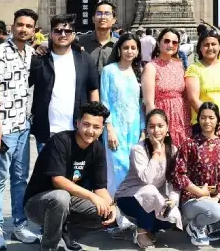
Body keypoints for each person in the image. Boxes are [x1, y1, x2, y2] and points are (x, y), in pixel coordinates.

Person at [24, 102, 119, 251]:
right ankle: (47, 250)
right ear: (78, 123)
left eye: (96, 127)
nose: (90, 131)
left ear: (102, 130)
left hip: (69, 203)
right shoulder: (60, 141)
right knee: (61, 196)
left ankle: (65, 234)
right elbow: (58, 181)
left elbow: (100, 188)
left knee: (107, 211)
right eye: (86, 124)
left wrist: (112, 207)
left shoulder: (97, 149)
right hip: (38, 204)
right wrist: (92, 196)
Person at [0, 8, 41, 250]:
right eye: (20, 24)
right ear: (12, 26)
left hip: (22, 125)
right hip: (4, 127)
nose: (24, 29)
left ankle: (19, 224)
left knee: (20, 179)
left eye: (29, 26)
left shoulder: (30, 53)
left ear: (33, 30)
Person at [172, 102, 220, 246]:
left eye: (211, 117)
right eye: (203, 117)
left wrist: (218, 196)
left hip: (215, 196)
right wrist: (200, 192)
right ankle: (195, 226)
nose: (207, 121)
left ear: (217, 120)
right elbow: (179, 175)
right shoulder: (189, 143)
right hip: (193, 196)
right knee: (214, 211)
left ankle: (210, 225)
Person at [28, 14, 100, 150]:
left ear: (73, 35)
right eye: (58, 31)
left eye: (67, 31)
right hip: (47, 131)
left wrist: (94, 120)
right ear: (51, 34)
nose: (63, 34)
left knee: (75, 171)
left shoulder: (85, 59)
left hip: (77, 130)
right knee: (48, 171)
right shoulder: (40, 60)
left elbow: (93, 89)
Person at [115, 109, 182, 250]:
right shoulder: (138, 149)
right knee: (150, 191)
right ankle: (141, 232)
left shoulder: (173, 150)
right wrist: (157, 152)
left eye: (160, 125)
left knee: (173, 214)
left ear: (167, 127)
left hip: (152, 197)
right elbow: (148, 179)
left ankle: (149, 228)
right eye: (151, 127)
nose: (156, 130)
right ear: (146, 129)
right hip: (128, 198)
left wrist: (173, 200)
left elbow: (173, 181)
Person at [100, 32, 144, 195]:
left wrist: (143, 129)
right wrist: (109, 127)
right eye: (126, 47)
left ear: (138, 51)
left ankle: (129, 206)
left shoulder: (139, 72)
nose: (129, 51)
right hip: (114, 126)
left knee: (132, 166)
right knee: (118, 166)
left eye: (133, 48)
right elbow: (104, 101)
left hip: (133, 127)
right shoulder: (108, 71)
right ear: (119, 50)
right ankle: (116, 209)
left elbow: (141, 103)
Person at [185, 30, 220, 137]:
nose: (210, 48)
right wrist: (213, 121)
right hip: (203, 124)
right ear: (200, 48)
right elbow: (193, 99)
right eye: (206, 45)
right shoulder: (194, 68)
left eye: (214, 44)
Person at [141, 28, 188, 146]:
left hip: (181, 117)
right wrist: (154, 126)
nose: (170, 45)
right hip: (161, 118)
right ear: (158, 43)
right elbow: (149, 102)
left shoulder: (180, 65)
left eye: (174, 42)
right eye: (166, 41)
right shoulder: (151, 67)